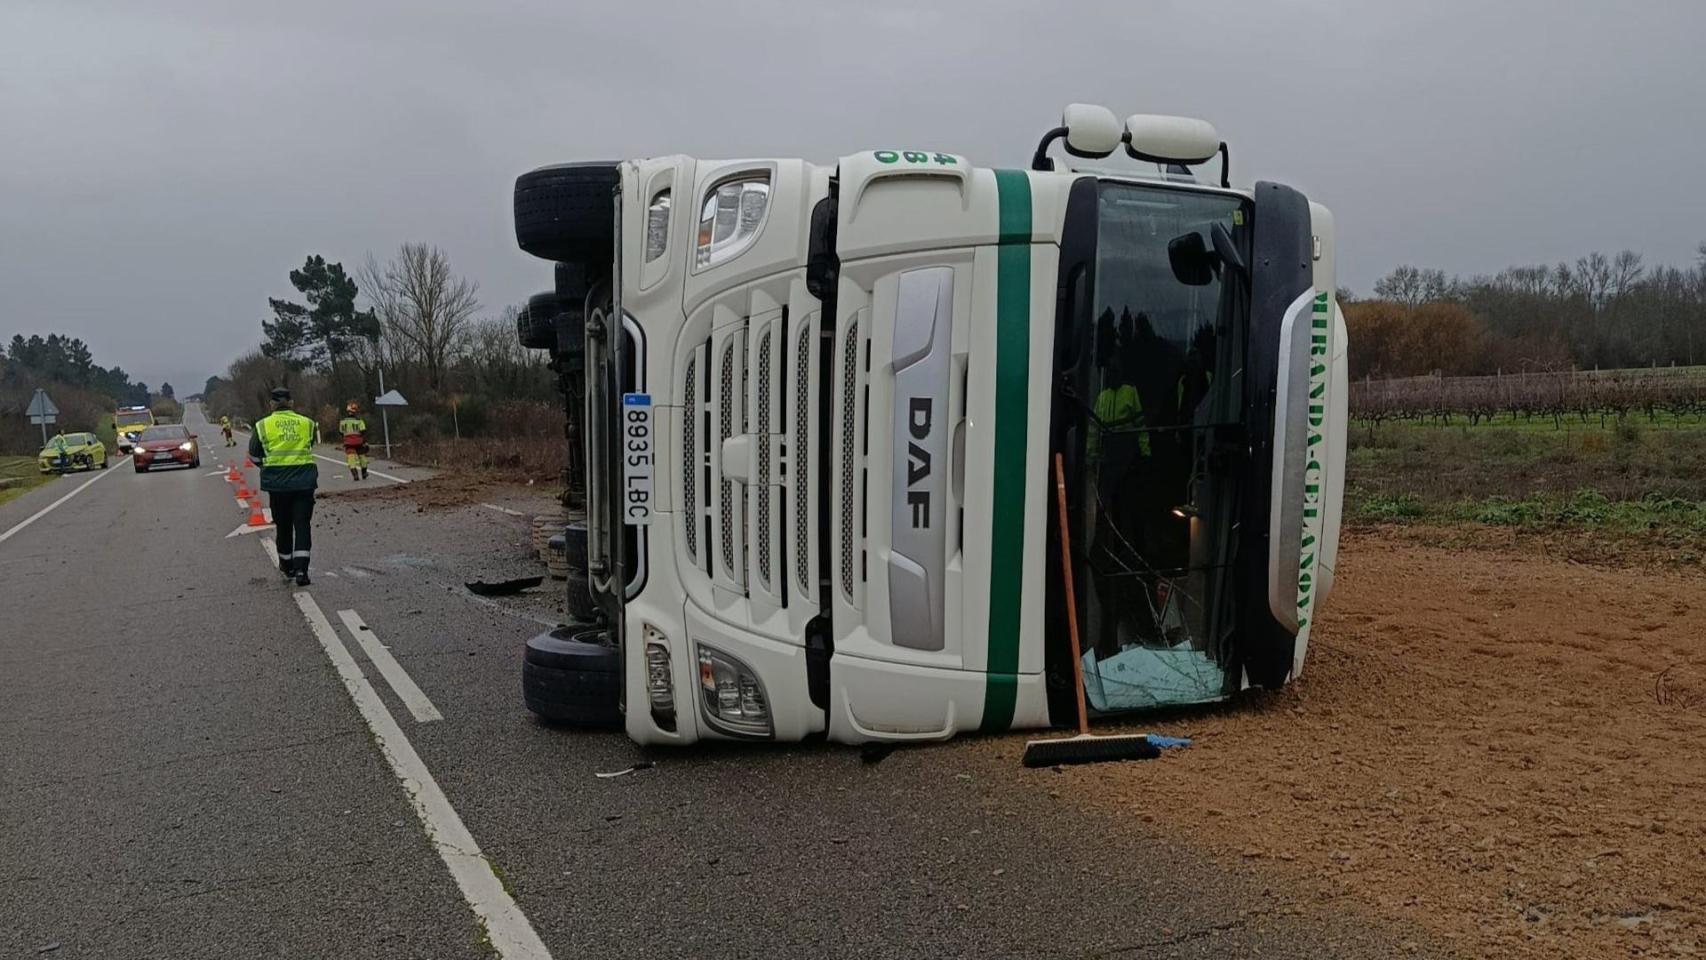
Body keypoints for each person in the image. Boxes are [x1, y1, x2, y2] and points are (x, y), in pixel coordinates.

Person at [249, 387, 319, 586]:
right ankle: (302, 571)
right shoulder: (307, 423)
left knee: (283, 525)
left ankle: (287, 566)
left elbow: (254, 455)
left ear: (271, 404)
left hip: (277, 484)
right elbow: (309, 445)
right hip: (304, 482)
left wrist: (269, 467)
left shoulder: (262, 425)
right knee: (302, 524)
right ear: (291, 403)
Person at [338, 401, 370, 481]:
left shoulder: (342, 422)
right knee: (362, 457)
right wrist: (365, 442)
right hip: (359, 442)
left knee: (351, 459)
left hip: (348, 443)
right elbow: (363, 431)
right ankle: (364, 473)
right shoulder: (359, 421)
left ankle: (355, 475)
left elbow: (341, 432)